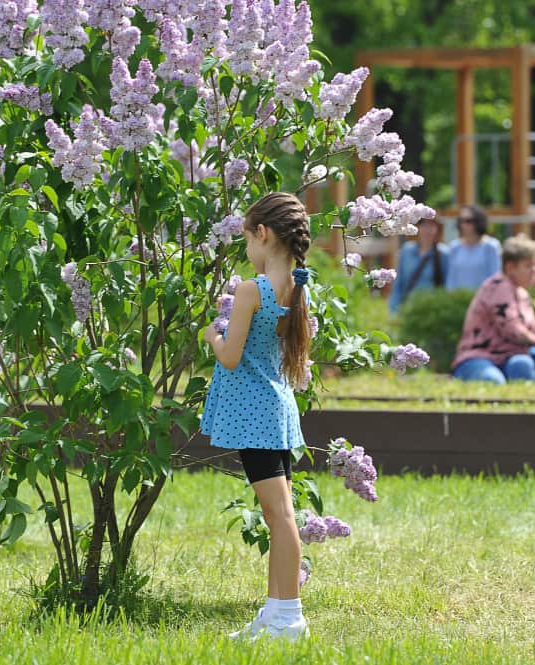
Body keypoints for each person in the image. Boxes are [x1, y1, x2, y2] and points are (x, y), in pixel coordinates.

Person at [201, 192, 311, 642]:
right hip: (276, 407)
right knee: (277, 514)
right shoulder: (297, 284)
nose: (246, 250)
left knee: (279, 515)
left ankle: (290, 617)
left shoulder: (252, 289)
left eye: (246, 239)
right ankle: (274, 613)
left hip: (255, 414)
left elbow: (230, 356)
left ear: (262, 234)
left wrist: (212, 334)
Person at [451, 234, 535, 384]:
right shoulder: (499, 286)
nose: (534, 270)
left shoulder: (522, 293)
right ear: (510, 267)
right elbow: (513, 330)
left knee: (523, 365)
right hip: (478, 357)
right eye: (528, 265)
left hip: (510, 357)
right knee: (492, 381)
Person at [388, 216, 449, 313]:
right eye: (423, 225)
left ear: (437, 228)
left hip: (433, 311)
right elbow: (398, 284)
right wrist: (393, 310)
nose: (427, 230)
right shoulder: (407, 251)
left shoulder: (444, 253)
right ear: (417, 227)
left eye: (431, 225)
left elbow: (447, 286)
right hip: (408, 309)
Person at [444, 204, 501, 291]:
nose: (464, 225)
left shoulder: (491, 246)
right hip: (459, 300)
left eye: (468, 221)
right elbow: (451, 279)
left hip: (483, 300)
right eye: (461, 221)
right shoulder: (454, 247)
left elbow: (495, 278)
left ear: (479, 222)